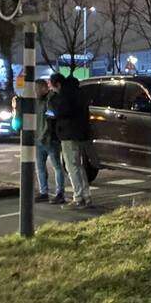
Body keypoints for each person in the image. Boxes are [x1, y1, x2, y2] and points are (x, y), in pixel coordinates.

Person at [48, 72, 92, 209]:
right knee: (78, 165)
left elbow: (60, 112)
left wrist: (52, 105)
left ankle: (78, 197)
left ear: (58, 84)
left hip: (69, 133)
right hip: (81, 133)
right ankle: (86, 196)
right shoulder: (78, 92)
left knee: (71, 166)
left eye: (53, 87)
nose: (52, 90)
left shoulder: (65, 96)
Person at [34, 79, 66, 204]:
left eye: (37, 88)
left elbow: (50, 118)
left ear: (44, 88)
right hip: (39, 138)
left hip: (50, 139)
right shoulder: (37, 101)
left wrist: (44, 134)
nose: (35, 91)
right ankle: (44, 192)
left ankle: (60, 193)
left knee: (57, 166)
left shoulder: (51, 100)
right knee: (41, 167)